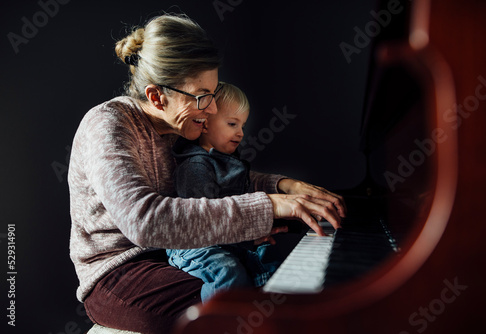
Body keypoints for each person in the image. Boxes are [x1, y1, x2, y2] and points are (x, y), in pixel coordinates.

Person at [68, 13, 346, 334]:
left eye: (212, 95)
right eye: (202, 96)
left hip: (173, 253)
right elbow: (145, 220)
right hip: (118, 273)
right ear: (157, 96)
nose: (212, 110)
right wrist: (269, 206)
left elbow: (218, 176)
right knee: (242, 305)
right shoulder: (107, 125)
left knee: (270, 282)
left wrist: (284, 186)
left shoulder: (180, 127)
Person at [167, 82, 286, 302]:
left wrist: (255, 235)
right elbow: (202, 224)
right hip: (194, 243)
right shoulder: (195, 166)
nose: (240, 133)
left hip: (227, 237)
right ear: (204, 124)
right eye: (232, 124)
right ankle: (216, 323)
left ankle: (266, 318)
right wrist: (247, 239)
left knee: (269, 257)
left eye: (242, 125)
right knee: (228, 272)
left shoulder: (229, 161)